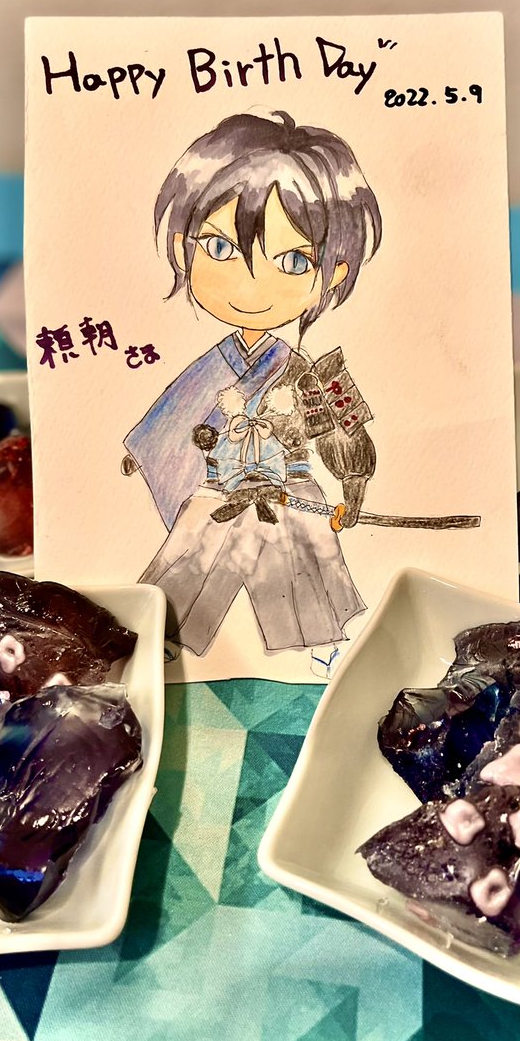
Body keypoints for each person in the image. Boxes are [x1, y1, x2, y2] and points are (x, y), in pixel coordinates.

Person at [123, 110, 382, 657]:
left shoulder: (306, 370)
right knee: (191, 557)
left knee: (305, 570)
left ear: (333, 273)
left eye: (293, 260)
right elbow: (177, 411)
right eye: (220, 248)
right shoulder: (214, 362)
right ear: (185, 246)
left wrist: (353, 486)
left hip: (288, 490)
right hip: (222, 486)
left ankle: (321, 650)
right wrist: (140, 452)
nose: (249, 283)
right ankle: (164, 640)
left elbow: (342, 428)